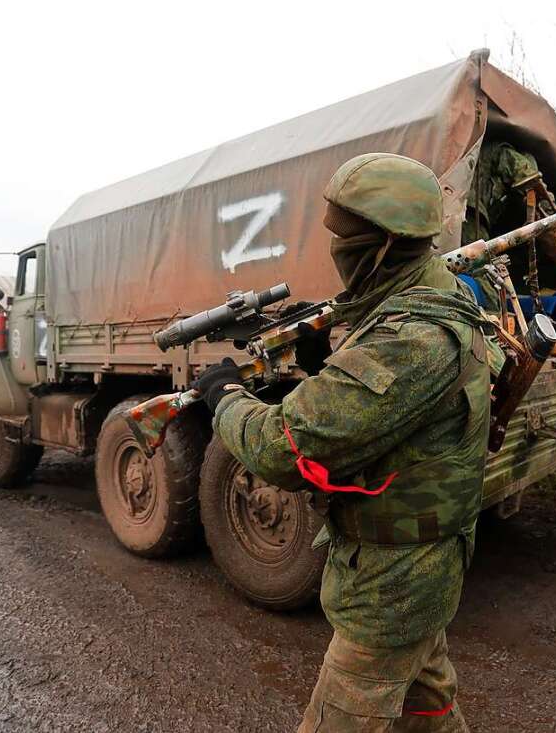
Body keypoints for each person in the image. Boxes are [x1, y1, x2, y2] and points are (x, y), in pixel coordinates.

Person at [192, 153, 492, 731]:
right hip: (425, 566)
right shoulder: (443, 297)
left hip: (391, 583)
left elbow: (283, 449)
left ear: (381, 243)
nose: (333, 248)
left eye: (342, 236)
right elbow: (394, 411)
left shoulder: (413, 337)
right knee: (428, 698)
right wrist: (327, 356)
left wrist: (224, 396)